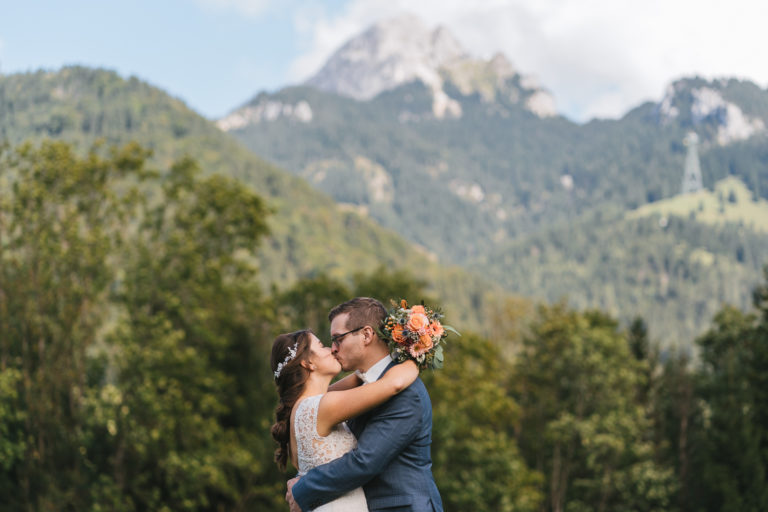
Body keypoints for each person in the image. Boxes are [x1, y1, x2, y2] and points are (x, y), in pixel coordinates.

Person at [286, 297, 444, 512]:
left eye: (338, 339)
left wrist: (304, 488)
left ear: (366, 335)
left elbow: (364, 462)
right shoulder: (363, 387)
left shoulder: (406, 393)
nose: (333, 349)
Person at [271, 327, 418, 511]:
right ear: (308, 362)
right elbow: (394, 383)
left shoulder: (303, 408)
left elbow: (361, 377)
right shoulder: (322, 407)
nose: (331, 349)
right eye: (322, 346)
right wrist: (420, 353)